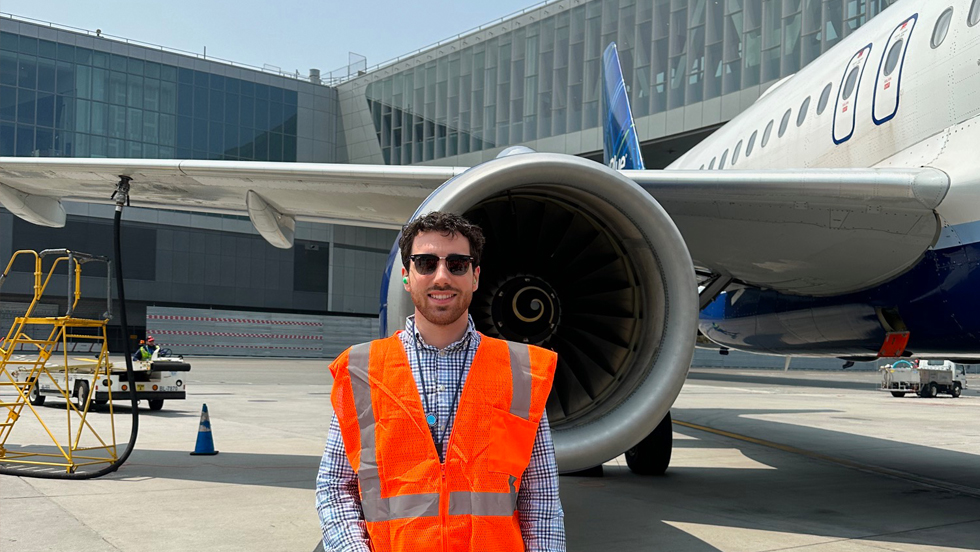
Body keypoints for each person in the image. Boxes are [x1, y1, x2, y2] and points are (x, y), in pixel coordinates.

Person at [316, 211, 566, 551]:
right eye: (426, 263)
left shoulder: (520, 371)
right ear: (406, 275)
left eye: (458, 264)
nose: (442, 277)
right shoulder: (361, 370)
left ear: (475, 276)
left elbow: (542, 501)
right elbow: (335, 486)